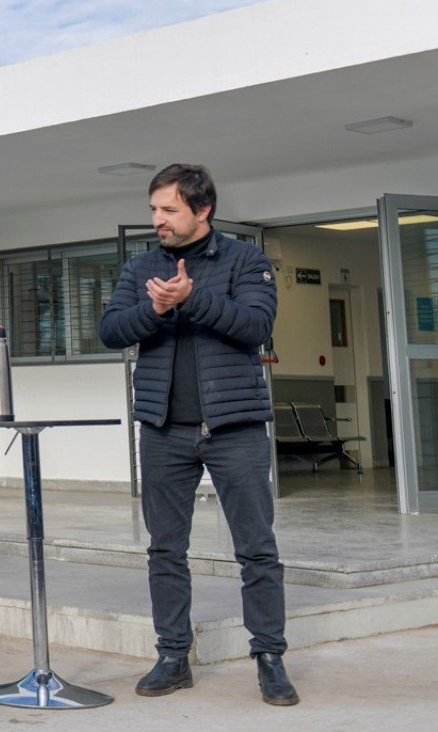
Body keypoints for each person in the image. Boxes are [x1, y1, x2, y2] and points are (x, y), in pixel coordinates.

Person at [98, 163, 297, 706]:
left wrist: (190, 299)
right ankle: (172, 656)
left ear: (202, 210)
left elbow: (256, 327)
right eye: (154, 210)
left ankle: (270, 656)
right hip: (164, 429)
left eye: (169, 210)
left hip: (235, 428)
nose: (158, 220)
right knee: (165, 548)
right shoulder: (141, 266)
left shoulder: (245, 259)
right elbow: (111, 330)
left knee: (256, 548)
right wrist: (155, 308)